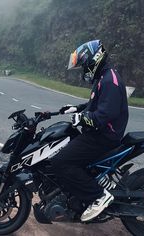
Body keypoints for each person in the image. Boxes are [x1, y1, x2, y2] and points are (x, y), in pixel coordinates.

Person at [51, 40, 129, 222]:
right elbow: (95, 105)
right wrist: (76, 109)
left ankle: (98, 196)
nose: (83, 70)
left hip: (103, 136)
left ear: (93, 61)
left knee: (60, 162)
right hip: (99, 133)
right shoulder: (105, 76)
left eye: (84, 65)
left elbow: (104, 115)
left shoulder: (110, 81)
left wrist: (82, 119)